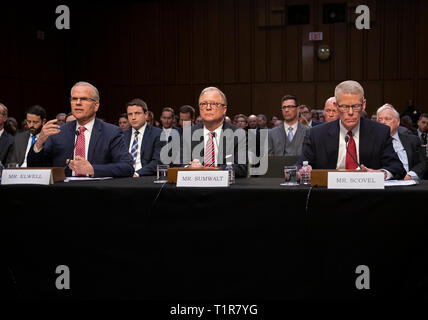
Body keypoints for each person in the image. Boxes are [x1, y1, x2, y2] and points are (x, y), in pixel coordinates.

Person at [299, 80, 406, 180]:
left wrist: (381, 173)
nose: (350, 112)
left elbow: (397, 167)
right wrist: (304, 170)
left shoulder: (380, 132)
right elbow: (301, 165)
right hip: (329, 194)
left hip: (368, 195)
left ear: (363, 105)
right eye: (345, 107)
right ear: (336, 106)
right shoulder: (316, 134)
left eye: (355, 106)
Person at [27, 81, 134, 177]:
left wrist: (93, 169)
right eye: (74, 99)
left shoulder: (111, 132)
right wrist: (39, 142)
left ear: (96, 105)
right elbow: (35, 168)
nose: (78, 103)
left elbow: (127, 167)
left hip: (97, 193)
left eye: (83, 99)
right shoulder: (58, 132)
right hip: (62, 192)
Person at [187, 87, 247, 177]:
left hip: (226, 189)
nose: (208, 108)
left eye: (214, 104)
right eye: (203, 104)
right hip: (193, 188)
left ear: (224, 109)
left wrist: (209, 170)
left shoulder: (238, 135)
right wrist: (189, 167)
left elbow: (241, 168)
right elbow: (176, 164)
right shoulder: (188, 134)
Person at [377, 104, 425, 180]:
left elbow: (423, 163)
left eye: (387, 119)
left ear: (398, 122)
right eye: (380, 119)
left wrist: (411, 175)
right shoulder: (373, 143)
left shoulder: (413, 140)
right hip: (386, 186)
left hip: (412, 185)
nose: (383, 122)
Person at [123, 99, 162, 177]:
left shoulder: (158, 134)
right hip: (124, 177)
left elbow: (158, 162)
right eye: (130, 114)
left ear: (146, 114)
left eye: (137, 113)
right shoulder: (122, 135)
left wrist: (137, 173)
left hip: (145, 178)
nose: (133, 117)